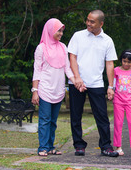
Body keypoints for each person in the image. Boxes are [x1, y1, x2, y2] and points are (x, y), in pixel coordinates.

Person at [67, 10, 119, 157]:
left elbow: (110, 64)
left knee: (102, 116)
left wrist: (110, 86)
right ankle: (79, 145)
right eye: (87, 20)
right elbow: (72, 57)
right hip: (77, 82)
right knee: (76, 115)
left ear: (101, 23)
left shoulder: (107, 40)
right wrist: (77, 78)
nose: (88, 23)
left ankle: (105, 146)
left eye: (92, 21)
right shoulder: (78, 36)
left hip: (96, 83)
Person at [31, 18, 75, 157]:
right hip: (44, 89)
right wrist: (35, 91)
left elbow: (67, 69)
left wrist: (76, 81)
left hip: (58, 90)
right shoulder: (41, 48)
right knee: (44, 120)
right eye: (58, 30)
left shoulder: (63, 47)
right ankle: (42, 147)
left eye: (62, 31)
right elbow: (37, 70)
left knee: (53, 122)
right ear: (50, 30)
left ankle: (50, 147)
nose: (61, 33)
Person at [113, 49, 131, 157]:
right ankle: (118, 146)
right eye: (124, 61)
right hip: (118, 101)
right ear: (121, 60)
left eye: (129, 62)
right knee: (118, 123)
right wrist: (111, 92)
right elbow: (113, 84)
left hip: (130, 102)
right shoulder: (116, 70)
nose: (126, 64)